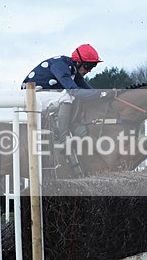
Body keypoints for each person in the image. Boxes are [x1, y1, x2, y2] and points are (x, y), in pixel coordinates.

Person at [21, 44, 114, 176]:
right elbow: (74, 91)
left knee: (76, 97)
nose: (89, 70)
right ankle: (63, 140)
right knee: (68, 96)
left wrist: (106, 96)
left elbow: (90, 92)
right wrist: (103, 94)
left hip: (44, 96)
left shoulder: (73, 70)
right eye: (88, 66)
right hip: (30, 96)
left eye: (93, 66)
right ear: (78, 61)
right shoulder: (60, 65)